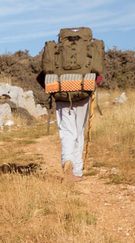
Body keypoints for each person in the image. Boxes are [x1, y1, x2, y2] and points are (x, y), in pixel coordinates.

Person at [38, 27, 104, 182]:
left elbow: (42, 77)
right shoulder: (89, 52)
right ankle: (77, 172)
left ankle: (67, 162)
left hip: (61, 96)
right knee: (79, 133)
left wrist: (55, 89)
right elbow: (98, 77)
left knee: (67, 133)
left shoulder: (57, 53)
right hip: (83, 95)